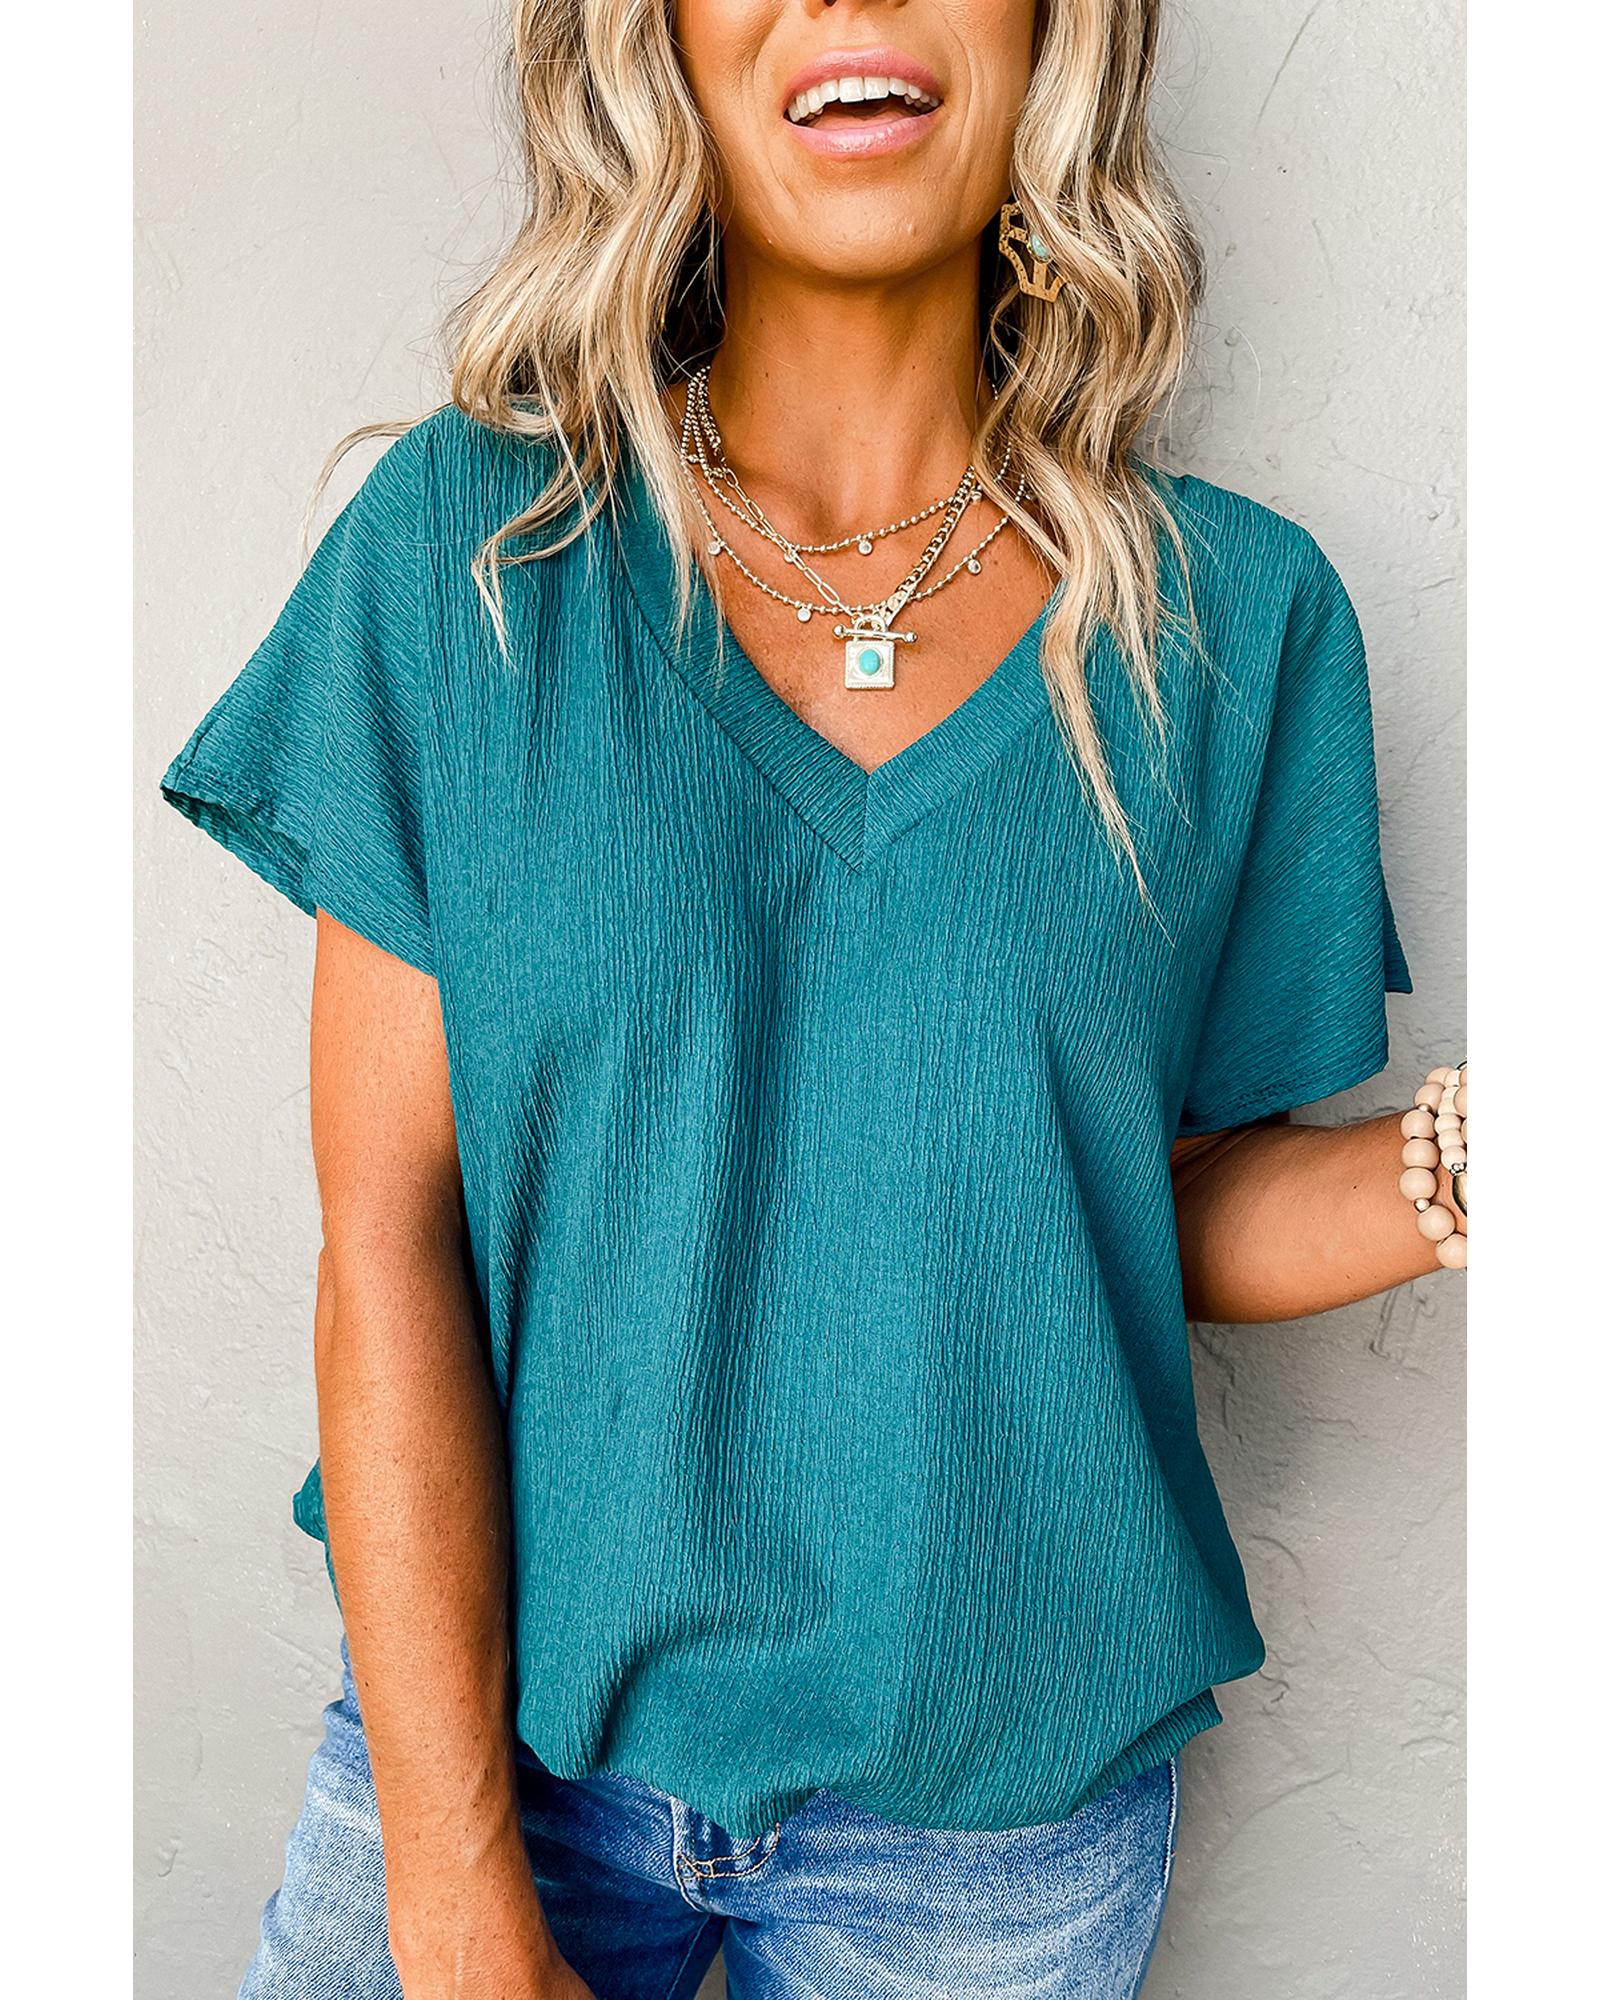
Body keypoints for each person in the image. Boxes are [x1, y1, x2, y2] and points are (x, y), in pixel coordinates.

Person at [158, 1, 1465, 1994]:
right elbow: (390, 1243)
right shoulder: (468, 556)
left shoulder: (1233, 619)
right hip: (499, 1750)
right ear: (662, 43)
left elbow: (1150, 1199)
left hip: (993, 1835)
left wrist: (1461, 1167)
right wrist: (456, 1887)